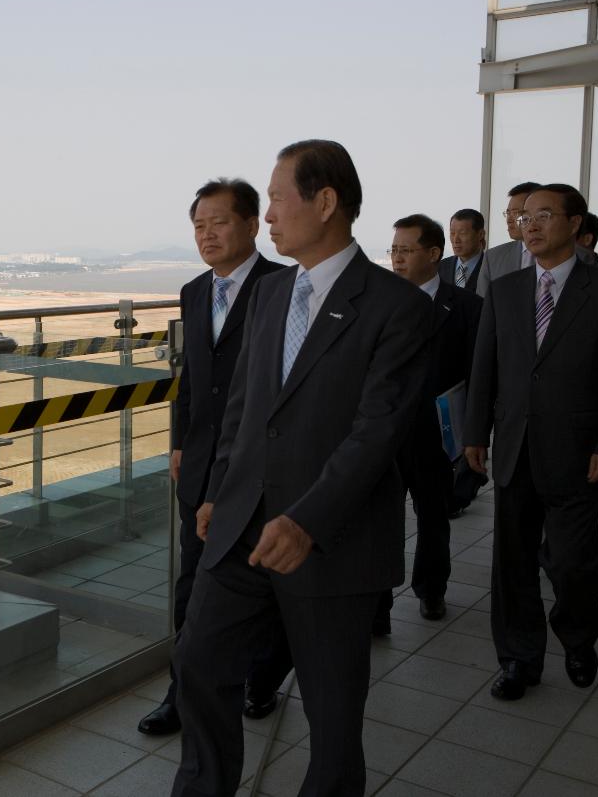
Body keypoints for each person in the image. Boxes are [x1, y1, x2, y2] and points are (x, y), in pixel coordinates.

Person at [171, 140, 430, 797]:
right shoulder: (269, 293)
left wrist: (308, 518)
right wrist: (219, 492)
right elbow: (244, 408)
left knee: (332, 714)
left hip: (331, 540)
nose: (271, 213)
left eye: (280, 197)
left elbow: (377, 432)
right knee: (199, 662)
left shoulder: (397, 308)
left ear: (326, 201)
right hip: (240, 527)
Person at [463, 183, 598, 701]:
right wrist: (475, 432)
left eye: (544, 215)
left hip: (578, 452)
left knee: (572, 562)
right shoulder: (506, 287)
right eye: (524, 218)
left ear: (575, 223)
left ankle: (579, 634)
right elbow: (485, 365)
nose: (530, 225)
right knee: (512, 563)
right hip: (514, 445)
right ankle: (518, 659)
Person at [138, 178, 289, 736]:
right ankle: (183, 693)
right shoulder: (195, 291)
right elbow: (193, 380)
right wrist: (180, 441)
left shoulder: (286, 286)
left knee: (263, 577)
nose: (207, 234)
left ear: (252, 224)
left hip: (260, 468)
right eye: (199, 225)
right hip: (200, 467)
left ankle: (262, 676)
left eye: (219, 222)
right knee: (193, 584)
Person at [376, 214, 482, 633]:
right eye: (394, 250)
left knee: (434, 516)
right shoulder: (379, 302)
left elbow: (478, 375)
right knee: (381, 521)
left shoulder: (466, 308)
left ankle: (431, 589)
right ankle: (377, 603)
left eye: (406, 250)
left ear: (434, 254)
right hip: (383, 434)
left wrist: (473, 435)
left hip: (438, 435)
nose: (397, 259)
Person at [475, 182, 539, 298]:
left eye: (516, 213)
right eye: (508, 213)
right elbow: (483, 305)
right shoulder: (493, 257)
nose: (509, 219)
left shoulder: (575, 255)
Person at [438, 208, 485, 292]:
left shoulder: (491, 268)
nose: (456, 240)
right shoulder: (440, 267)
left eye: (463, 233)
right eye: (452, 233)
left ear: (480, 234)